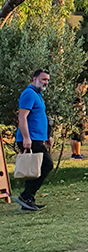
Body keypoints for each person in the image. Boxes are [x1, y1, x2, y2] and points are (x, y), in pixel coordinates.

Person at [12, 69, 54, 211]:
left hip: (37, 138)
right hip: (30, 139)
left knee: (36, 168)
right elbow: (22, 117)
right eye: (43, 79)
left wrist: (47, 136)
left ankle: (28, 199)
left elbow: (40, 117)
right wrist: (26, 137)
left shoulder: (38, 95)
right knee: (47, 165)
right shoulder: (29, 93)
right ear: (34, 78)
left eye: (47, 80)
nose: (46, 82)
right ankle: (26, 196)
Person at [70, 82, 88, 160]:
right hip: (78, 120)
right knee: (78, 137)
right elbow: (80, 109)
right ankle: (77, 153)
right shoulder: (79, 98)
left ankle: (73, 153)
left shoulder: (73, 95)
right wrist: (83, 120)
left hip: (73, 119)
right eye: (85, 88)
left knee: (73, 137)